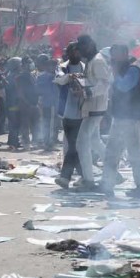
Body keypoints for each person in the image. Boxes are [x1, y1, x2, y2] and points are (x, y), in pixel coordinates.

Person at [100, 45, 140, 198]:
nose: (113, 59)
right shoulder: (119, 71)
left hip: (133, 119)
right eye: (112, 56)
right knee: (112, 153)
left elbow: (123, 87)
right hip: (119, 118)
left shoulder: (133, 70)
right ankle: (107, 184)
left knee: (135, 154)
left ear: (124, 54)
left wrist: (115, 72)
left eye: (115, 55)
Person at [76, 35, 111, 189]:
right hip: (92, 106)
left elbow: (104, 84)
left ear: (90, 45)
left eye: (82, 46)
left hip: (95, 106)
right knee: (95, 141)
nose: (80, 50)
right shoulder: (91, 61)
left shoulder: (97, 61)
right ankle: (114, 172)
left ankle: (89, 180)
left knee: (82, 143)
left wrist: (86, 93)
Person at [54, 42, 85, 188]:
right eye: (73, 51)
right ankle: (82, 176)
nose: (76, 54)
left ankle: (67, 177)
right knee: (72, 146)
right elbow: (59, 79)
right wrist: (70, 76)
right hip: (67, 112)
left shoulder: (86, 67)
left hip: (83, 111)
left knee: (75, 146)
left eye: (78, 51)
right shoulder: (62, 67)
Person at [36, 54, 59, 150]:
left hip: (51, 103)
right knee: (50, 124)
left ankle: (48, 142)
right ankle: (49, 143)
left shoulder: (55, 76)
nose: (52, 67)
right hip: (50, 103)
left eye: (54, 65)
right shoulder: (49, 76)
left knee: (49, 123)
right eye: (50, 65)